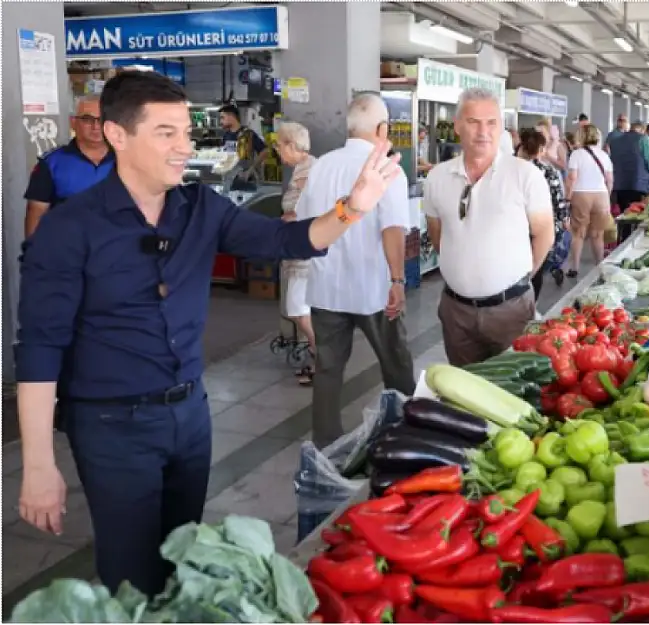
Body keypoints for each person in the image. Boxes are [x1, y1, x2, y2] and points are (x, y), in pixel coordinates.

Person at [16, 70, 402, 596]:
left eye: (186, 133)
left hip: (190, 417)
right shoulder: (69, 228)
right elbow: (39, 349)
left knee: (185, 556)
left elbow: (289, 239)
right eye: (166, 133)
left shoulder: (201, 208)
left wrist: (354, 207)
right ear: (117, 135)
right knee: (131, 574)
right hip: (111, 425)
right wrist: (38, 465)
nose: (183, 147)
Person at [297, 94, 417, 447]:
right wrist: (397, 280)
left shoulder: (321, 166)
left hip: (326, 288)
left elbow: (305, 222)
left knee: (328, 370)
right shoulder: (386, 167)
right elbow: (392, 228)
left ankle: (326, 443)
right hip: (373, 290)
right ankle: (408, 432)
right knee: (395, 363)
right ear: (382, 129)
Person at [424, 87, 555, 366]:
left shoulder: (524, 174)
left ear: (501, 128)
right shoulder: (438, 178)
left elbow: (545, 232)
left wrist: (520, 277)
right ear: (458, 126)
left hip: (512, 311)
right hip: (456, 312)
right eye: (473, 122)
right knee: (463, 395)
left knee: (515, 391)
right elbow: (438, 235)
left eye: (491, 122)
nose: (483, 131)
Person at [24, 95, 116, 237]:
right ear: (73, 123)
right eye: (87, 119)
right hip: (68, 251)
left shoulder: (127, 159)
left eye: (101, 119)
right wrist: (32, 254)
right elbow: (36, 213)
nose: (96, 126)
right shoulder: (51, 163)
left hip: (117, 250)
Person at [274, 122, 318, 385]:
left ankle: (322, 361)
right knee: (300, 309)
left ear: (291, 145)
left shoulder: (310, 170)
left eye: (280, 145)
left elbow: (312, 209)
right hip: (299, 250)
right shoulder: (303, 169)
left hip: (306, 252)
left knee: (298, 309)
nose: (278, 151)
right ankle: (318, 360)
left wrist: (290, 217)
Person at [518, 128, 569, 296]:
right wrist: (563, 220)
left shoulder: (507, 171)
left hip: (513, 227)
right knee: (536, 269)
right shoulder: (548, 171)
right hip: (540, 227)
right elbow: (558, 201)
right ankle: (531, 305)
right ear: (541, 150)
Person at [565, 124, 613, 278]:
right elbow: (610, 180)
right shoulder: (605, 155)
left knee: (578, 233)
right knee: (597, 234)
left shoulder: (576, 154)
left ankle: (575, 267)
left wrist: (567, 197)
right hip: (601, 195)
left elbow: (572, 178)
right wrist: (607, 196)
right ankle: (599, 265)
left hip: (581, 195)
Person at [609, 121, 649, 211]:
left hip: (620, 184)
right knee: (637, 212)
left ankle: (623, 225)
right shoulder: (643, 139)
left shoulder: (615, 141)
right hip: (639, 184)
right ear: (642, 129)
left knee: (623, 212)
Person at [219, 104, 268, 182]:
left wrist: (251, 169)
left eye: (222, 118)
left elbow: (265, 151)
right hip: (230, 179)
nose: (221, 121)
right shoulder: (226, 135)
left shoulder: (247, 134)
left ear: (231, 116)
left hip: (246, 179)